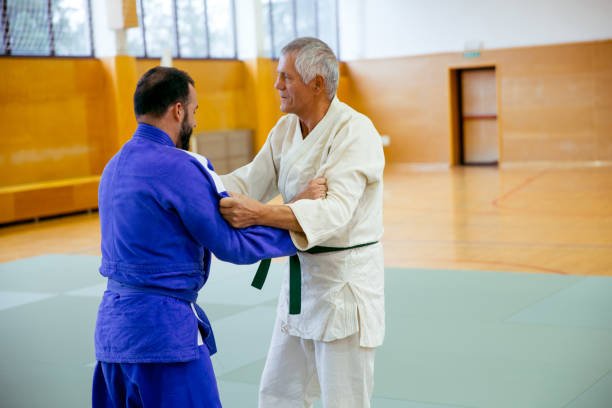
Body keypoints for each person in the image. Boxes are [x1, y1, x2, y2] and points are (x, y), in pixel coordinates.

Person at [92, 66, 317, 407]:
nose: (195, 122)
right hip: (163, 338)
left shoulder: (113, 167)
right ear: (178, 110)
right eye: (194, 111)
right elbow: (232, 244)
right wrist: (298, 220)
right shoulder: (180, 166)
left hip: (111, 337)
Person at [219, 37, 385, 408]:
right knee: (279, 393)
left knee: (344, 400)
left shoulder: (354, 132)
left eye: (285, 77)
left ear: (317, 84)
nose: (276, 85)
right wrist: (191, 180)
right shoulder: (285, 131)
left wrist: (260, 214)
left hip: (344, 284)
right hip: (300, 285)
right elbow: (248, 182)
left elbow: (333, 212)